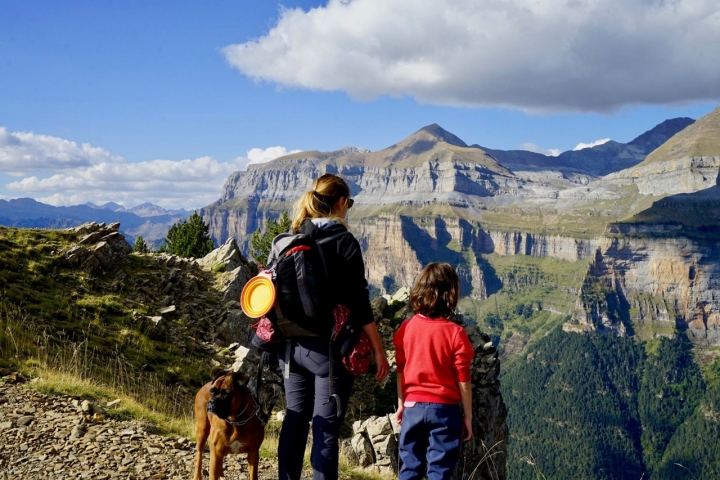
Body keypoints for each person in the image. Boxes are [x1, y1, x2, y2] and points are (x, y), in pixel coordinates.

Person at [277, 173, 390, 480]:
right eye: (349, 202)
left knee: (295, 420)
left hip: (289, 347)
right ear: (340, 203)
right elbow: (359, 302)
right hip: (327, 353)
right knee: (325, 429)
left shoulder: (292, 237)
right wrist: (379, 351)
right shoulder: (344, 241)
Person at [394, 262, 475, 480]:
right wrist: (468, 417)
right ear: (450, 294)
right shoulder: (456, 333)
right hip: (444, 410)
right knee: (440, 471)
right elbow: (463, 380)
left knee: (410, 467)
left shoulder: (406, 328)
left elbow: (400, 370)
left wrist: (402, 403)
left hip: (412, 407)